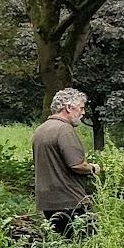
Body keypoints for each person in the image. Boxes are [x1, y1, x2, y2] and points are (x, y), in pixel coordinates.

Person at [31, 87, 100, 236]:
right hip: (70, 200)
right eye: (81, 108)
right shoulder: (64, 130)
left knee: (63, 244)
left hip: (47, 201)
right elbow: (76, 164)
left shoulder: (41, 129)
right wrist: (93, 168)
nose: (83, 113)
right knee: (87, 243)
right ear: (69, 107)